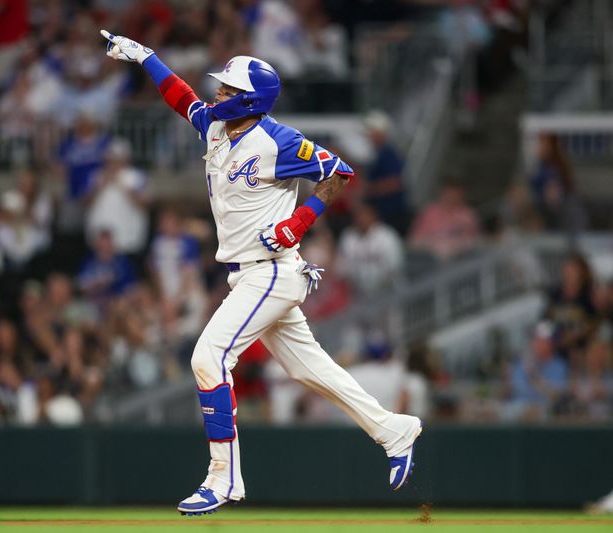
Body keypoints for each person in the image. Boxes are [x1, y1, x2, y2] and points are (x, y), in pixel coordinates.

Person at [100, 29, 423, 515]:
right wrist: (146, 57)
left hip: (272, 269)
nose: (218, 94)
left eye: (228, 90)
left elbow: (339, 173)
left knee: (208, 357)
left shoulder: (278, 140)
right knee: (306, 367)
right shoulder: (214, 126)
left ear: (250, 98)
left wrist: (299, 221)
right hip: (246, 272)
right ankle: (393, 430)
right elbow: (180, 97)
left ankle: (222, 478)